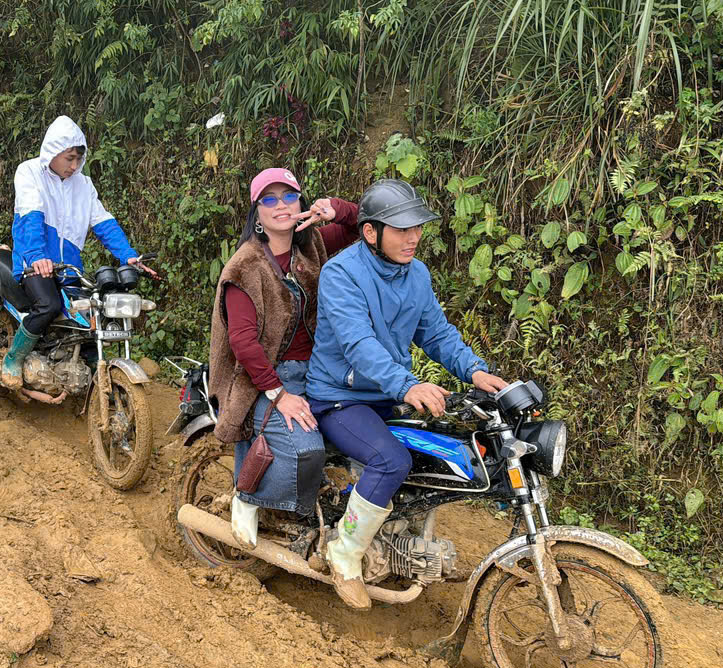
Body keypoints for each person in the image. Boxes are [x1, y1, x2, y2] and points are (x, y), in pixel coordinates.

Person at [306, 179, 508, 610]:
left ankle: (393, 537)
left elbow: (435, 332)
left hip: (386, 393)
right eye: (401, 229)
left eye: (417, 227)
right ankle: (344, 553)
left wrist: (475, 370)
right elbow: (358, 344)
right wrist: (407, 384)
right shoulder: (341, 274)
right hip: (340, 397)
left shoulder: (416, 274)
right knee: (390, 460)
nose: (413, 237)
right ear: (370, 232)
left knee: (433, 454)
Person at [206, 167, 361, 550]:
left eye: (289, 196)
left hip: (322, 372)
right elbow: (244, 343)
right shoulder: (245, 266)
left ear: (300, 202)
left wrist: (336, 208)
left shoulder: (311, 246)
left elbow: (364, 227)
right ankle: (248, 496)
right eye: (269, 199)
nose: (281, 205)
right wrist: (280, 395)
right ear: (256, 212)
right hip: (266, 378)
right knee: (307, 451)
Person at [2, 115, 157, 389]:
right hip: (33, 264)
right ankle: (14, 358)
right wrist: (37, 256)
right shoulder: (29, 172)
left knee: (90, 317)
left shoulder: (83, 185)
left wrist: (128, 255)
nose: (74, 166)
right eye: (69, 158)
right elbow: (31, 215)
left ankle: (86, 371)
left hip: (69, 267)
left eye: (78, 159)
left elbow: (103, 222)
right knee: (48, 305)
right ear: (53, 151)